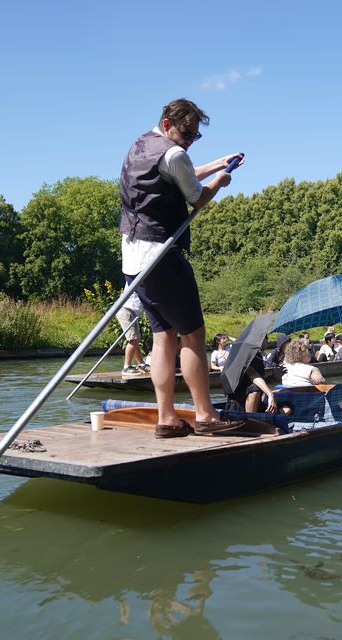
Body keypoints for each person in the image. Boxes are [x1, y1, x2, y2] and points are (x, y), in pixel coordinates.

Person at [119, 98, 243, 439]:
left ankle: (167, 418)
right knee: (193, 335)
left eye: (195, 136)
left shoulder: (142, 144)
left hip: (134, 257)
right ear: (167, 122)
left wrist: (216, 163)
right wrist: (220, 181)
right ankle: (205, 415)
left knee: (163, 337)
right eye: (186, 133)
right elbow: (197, 198)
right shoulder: (175, 154)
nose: (189, 140)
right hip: (162, 256)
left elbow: (178, 173)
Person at [227, 347, 278, 414]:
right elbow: (252, 374)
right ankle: (251, 418)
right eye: (266, 338)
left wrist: (276, 375)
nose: (267, 340)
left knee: (285, 407)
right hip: (239, 403)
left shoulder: (257, 355)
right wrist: (270, 394)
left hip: (255, 401)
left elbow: (261, 378)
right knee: (256, 387)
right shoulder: (245, 354)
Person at [116, 289, 146, 374]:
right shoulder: (137, 279)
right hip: (126, 310)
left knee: (135, 339)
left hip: (131, 312)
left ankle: (141, 364)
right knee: (133, 339)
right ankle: (126, 367)